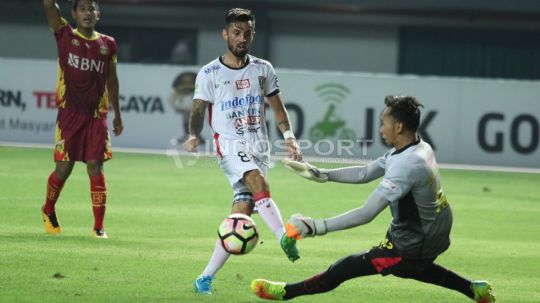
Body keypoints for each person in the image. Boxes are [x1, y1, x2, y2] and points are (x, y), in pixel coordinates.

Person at [251, 95, 496, 302]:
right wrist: (321, 174)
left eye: (384, 123)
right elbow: (365, 172)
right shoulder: (418, 147)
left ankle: (286, 293)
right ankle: (474, 289)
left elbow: (366, 214)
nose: (381, 129)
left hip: (418, 239)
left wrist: (316, 227)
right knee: (409, 267)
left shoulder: (407, 165)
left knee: (346, 267)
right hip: (432, 227)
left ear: (398, 127)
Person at [183, 8, 303, 295]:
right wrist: (192, 135)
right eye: (236, 33)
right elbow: (198, 109)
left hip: (258, 145)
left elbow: (278, 107)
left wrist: (289, 137)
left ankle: (205, 278)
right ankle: (282, 236)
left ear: (253, 34)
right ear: (225, 34)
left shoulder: (264, 69)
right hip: (229, 144)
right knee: (257, 182)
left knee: (240, 216)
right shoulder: (210, 73)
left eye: (247, 33)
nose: (242, 38)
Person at [41, 0, 123, 239]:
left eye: (91, 8)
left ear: (98, 13)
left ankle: (99, 226)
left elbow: (112, 79)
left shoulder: (108, 44)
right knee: (63, 168)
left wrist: (117, 113)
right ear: (74, 14)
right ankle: (48, 209)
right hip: (69, 115)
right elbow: (49, 8)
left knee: (95, 165)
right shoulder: (65, 34)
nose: (87, 12)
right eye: (82, 9)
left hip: (97, 116)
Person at [168, 72, 199, 144]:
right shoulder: (179, 95)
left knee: (190, 116)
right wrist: (176, 107)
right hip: (189, 109)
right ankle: (188, 135)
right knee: (187, 116)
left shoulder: (197, 94)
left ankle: (194, 136)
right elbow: (172, 98)